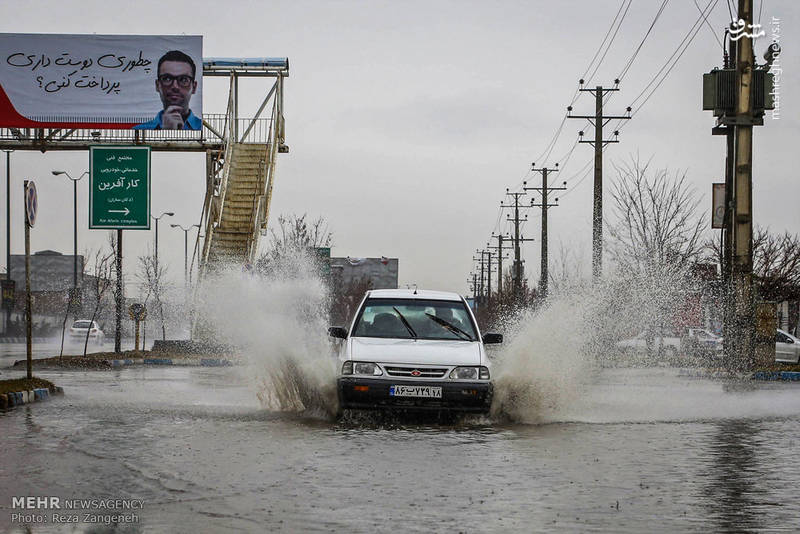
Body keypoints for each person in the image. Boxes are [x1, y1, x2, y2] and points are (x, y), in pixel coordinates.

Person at [134, 50, 201, 130]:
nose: (175, 86)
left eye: (183, 79)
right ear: (157, 85)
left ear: (194, 87)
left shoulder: (205, 131)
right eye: (167, 78)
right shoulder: (138, 132)